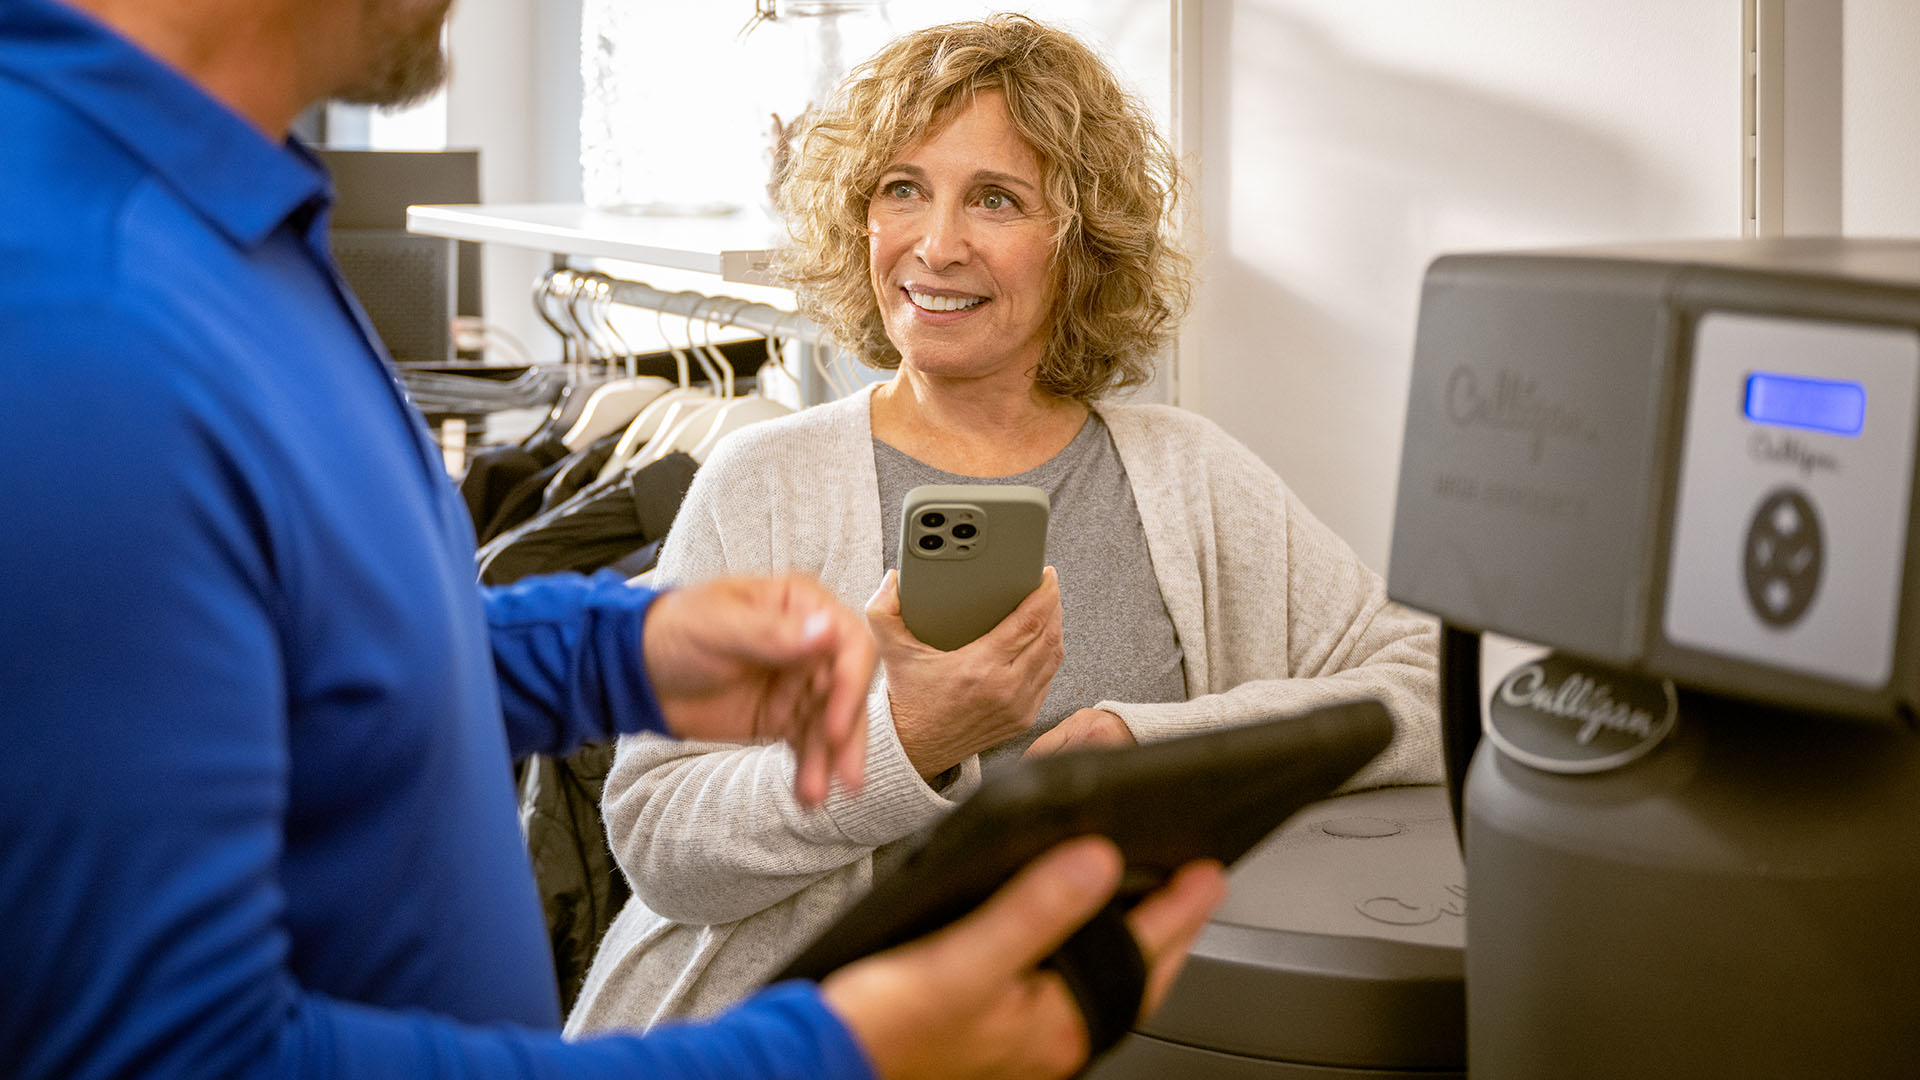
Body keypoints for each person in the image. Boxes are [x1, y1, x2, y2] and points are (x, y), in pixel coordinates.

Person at [0, 1, 1227, 1078]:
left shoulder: (225, 231)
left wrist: (609, 651)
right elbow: (169, 1057)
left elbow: (299, 663)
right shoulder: (84, 314)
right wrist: (843, 1054)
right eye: (904, 188)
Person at [567, 13, 1444, 1036]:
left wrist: (1145, 744)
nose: (937, 245)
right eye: (903, 189)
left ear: (1079, 241)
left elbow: (1429, 688)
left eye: (996, 199)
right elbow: (659, 837)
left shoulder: (1189, 475)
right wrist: (906, 743)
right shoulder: (762, 483)